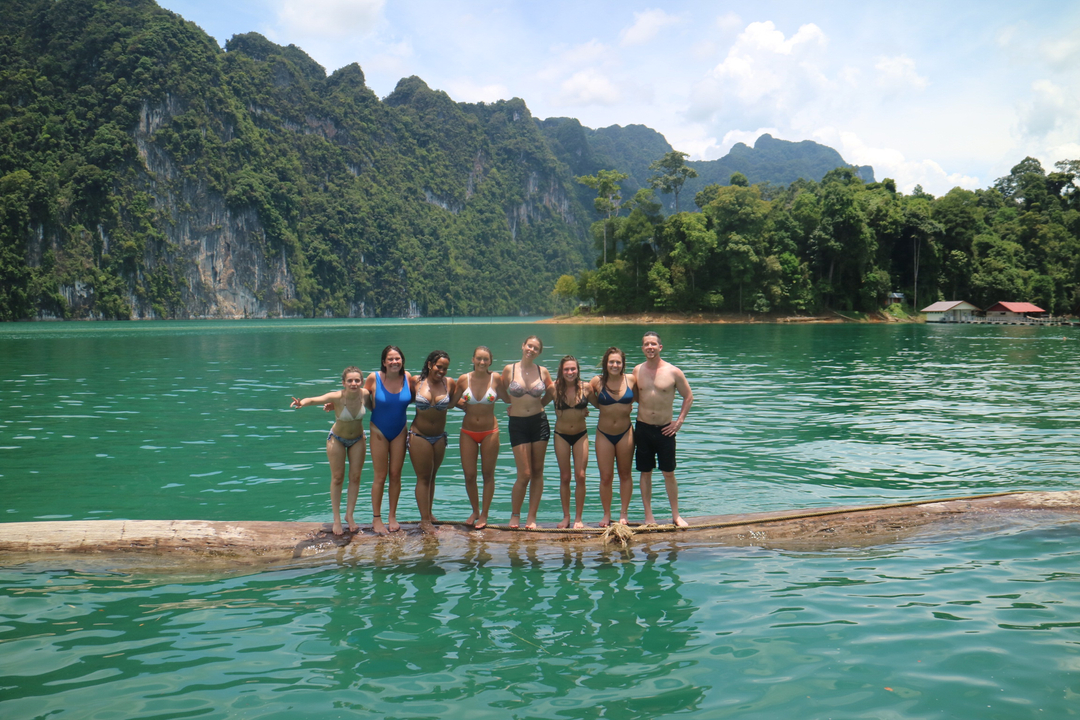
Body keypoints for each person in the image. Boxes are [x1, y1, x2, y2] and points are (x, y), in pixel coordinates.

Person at [290, 367, 372, 535]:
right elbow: (315, 400)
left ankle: (349, 516)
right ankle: (336, 519)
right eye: (350, 381)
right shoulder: (337, 397)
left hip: (358, 439)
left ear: (361, 382)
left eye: (357, 380)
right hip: (337, 439)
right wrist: (301, 403)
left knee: (355, 477)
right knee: (337, 478)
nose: (354, 383)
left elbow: (378, 406)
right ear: (344, 383)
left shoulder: (365, 395)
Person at [632, 331, 693, 527]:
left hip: (666, 430)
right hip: (642, 428)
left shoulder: (673, 372)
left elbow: (688, 396)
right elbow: (627, 395)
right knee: (645, 472)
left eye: (653, 344)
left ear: (660, 347)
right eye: (646, 344)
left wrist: (679, 422)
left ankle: (676, 515)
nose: (650, 347)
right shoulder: (636, 371)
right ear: (642, 348)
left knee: (668, 472)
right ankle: (648, 516)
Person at [501, 335, 554, 529]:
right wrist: (511, 403)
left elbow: (553, 390)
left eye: (536, 348)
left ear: (539, 352)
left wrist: (542, 404)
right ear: (522, 346)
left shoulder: (543, 371)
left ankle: (532, 517)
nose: (531, 350)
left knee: (537, 472)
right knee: (524, 474)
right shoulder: (509, 370)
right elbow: (498, 388)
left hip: (539, 422)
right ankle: (515, 515)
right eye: (529, 346)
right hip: (517, 423)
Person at [450, 346, 503, 530]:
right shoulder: (464, 379)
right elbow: (451, 402)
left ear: (490, 361)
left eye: (485, 359)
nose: (482, 362)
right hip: (468, 432)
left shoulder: (496, 378)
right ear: (472, 359)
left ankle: (484, 514)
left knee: (488, 475)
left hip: (490, 431)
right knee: (469, 475)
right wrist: (460, 405)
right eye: (479, 359)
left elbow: (508, 398)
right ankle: (475, 510)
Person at [364, 346, 413, 534]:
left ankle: (392, 516)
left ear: (402, 360)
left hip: (400, 430)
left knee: (395, 474)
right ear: (384, 362)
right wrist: (334, 404)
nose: (394, 362)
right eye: (390, 359)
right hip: (378, 430)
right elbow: (358, 395)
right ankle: (377, 518)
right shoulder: (373, 378)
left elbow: (424, 396)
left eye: (397, 359)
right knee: (380, 475)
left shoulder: (407, 378)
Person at [409, 350, 456, 534]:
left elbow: (454, 402)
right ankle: (424, 520)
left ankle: (429, 512)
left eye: (445, 368)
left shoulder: (449, 383)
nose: (442, 371)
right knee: (423, 478)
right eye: (438, 367)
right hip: (419, 435)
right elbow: (399, 398)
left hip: (439, 437)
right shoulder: (416, 381)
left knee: (432, 476)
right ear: (429, 364)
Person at [589, 346, 636, 527]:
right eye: (611, 362)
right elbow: (584, 395)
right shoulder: (597, 381)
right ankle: (607, 514)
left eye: (618, 362)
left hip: (626, 433)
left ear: (623, 364)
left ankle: (623, 513)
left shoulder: (631, 379)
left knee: (625, 474)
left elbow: (642, 397)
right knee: (606, 477)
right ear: (605, 363)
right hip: (604, 434)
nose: (615, 365)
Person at [552, 355, 593, 529]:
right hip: (561, 435)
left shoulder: (587, 388)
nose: (570, 372)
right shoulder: (554, 388)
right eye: (567, 369)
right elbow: (537, 404)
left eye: (573, 369)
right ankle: (566, 516)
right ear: (561, 371)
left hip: (580, 435)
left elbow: (601, 404)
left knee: (581, 476)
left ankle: (578, 518)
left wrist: (627, 405)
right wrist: (514, 407)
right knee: (565, 477)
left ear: (578, 370)